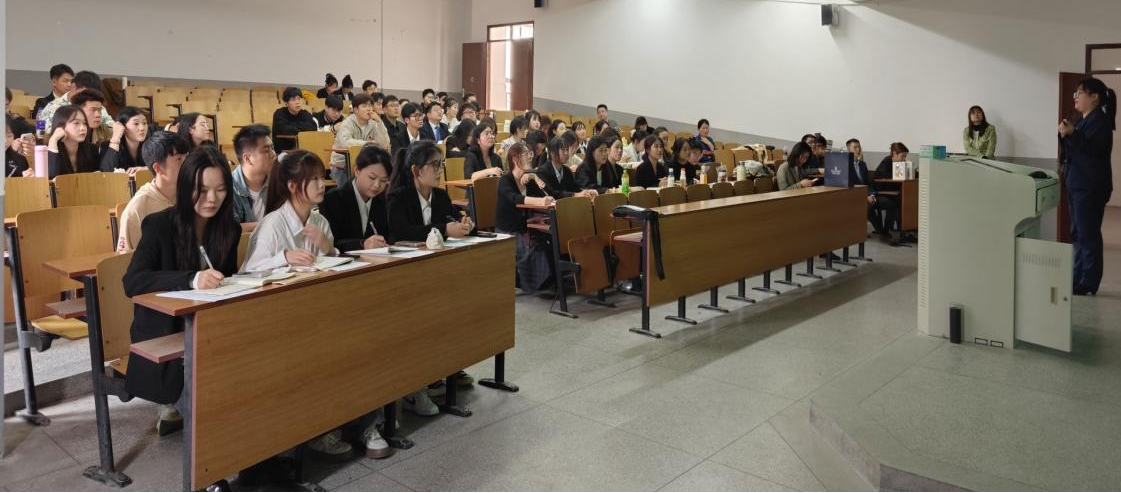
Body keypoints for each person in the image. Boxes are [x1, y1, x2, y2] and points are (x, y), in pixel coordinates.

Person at [122, 145, 241, 435]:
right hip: (166, 334)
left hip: (210, 330)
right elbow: (133, 282)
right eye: (202, 190)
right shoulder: (159, 225)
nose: (211, 199)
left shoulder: (229, 229)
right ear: (186, 186)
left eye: (220, 190)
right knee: (214, 404)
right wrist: (191, 279)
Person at [1060, 77, 1116, 296]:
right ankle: (1078, 277)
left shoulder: (1100, 122)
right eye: (1075, 93)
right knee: (1077, 233)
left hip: (1090, 186)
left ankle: (1089, 282)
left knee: (1087, 234)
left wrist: (1073, 134)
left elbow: (1092, 153)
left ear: (1094, 97)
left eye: (1080, 93)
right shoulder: (1083, 120)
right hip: (1077, 183)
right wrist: (1065, 134)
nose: (1075, 97)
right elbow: (1073, 150)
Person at [242, 150, 337, 273]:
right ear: (292, 186)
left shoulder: (321, 221)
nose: (322, 184)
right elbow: (249, 271)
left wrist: (329, 249)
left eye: (322, 177)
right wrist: (284, 257)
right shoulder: (272, 225)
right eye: (314, 178)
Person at [116, 131, 190, 253]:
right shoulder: (136, 210)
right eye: (179, 159)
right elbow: (126, 259)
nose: (188, 164)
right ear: (158, 168)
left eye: (187, 157)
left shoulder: (194, 195)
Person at [497, 142, 556, 294]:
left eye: (530, 154)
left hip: (528, 226)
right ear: (515, 159)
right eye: (526, 154)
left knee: (551, 241)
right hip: (510, 230)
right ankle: (536, 284)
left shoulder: (528, 179)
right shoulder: (505, 180)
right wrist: (539, 201)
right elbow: (514, 198)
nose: (530, 157)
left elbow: (548, 196)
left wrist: (536, 178)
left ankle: (554, 281)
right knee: (535, 248)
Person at [387, 140, 471, 242]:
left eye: (441, 163)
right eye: (435, 164)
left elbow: (454, 218)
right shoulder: (398, 198)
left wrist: (464, 223)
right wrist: (444, 230)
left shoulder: (441, 196)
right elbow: (402, 232)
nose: (441, 170)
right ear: (416, 170)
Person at [319, 145, 392, 252]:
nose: (377, 185)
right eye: (372, 177)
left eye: (383, 180)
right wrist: (362, 244)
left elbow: (390, 236)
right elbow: (329, 243)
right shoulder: (333, 199)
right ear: (357, 170)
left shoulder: (383, 200)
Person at [329, 93, 391, 184]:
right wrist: (367, 143)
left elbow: (384, 143)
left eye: (370, 105)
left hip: (363, 164)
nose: (369, 109)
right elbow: (345, 142)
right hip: (341, 166)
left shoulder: (373, 124)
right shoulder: (347, 123)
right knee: (351, 186)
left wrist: (379, 122)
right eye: (364, 106)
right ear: (356, 110)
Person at [230, 124, 278, 227]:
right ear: (247, 159)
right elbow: (230, 229)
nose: (273, 154)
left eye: (272, 148)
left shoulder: (278, 180)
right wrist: (269, 225)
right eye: (266, 150)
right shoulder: (229, 187)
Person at [38, 70, 113, 133]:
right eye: (85, 93)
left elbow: (112, 128)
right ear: (74, 87)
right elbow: (42, 134)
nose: (89, 97)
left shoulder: (97, 108)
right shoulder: (53, 108)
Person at [846, 138, 888, 238]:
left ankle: (880, 232)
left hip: (864, 194)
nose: (858, 149)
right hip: (852, 195)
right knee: (868, 205)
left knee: (874, 202)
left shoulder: (862, 164)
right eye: (855, 147)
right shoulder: (845, 165)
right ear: (848, 150)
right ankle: (880, 232)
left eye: (859, 147)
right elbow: (849, 185)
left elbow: (867, 183)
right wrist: (864, 197)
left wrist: (871, 194)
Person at [536, 132, 595, 199]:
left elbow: (575, 189)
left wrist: (587, 192)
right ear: (552, 153)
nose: (566, 153)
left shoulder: (567, 170)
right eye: (563, 150)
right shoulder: (542, 171)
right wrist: (574, 195)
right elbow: (551, 193)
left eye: (567, 150)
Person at [47, 105, 100, 178]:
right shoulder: (50, 150)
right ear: (61, 127)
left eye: (84, 123)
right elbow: (52, 178)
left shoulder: (92, 150)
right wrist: (53, 141)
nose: (83, 128)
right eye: (76, 123)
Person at [873, 142, 909, 239]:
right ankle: (887, 231)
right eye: (902, 156)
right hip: (878, 194)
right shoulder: (886, 163)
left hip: (890, 193)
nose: (904, 159)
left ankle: (903, 230)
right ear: (894, 154)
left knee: (904, 200)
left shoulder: (897, 164)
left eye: (905, 157)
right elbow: (888, 181)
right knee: (894, 202)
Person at [100, 106, 150, 175]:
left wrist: (145, 169)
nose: (142, 128)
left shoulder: (152, 145)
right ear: (123, 127)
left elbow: (163, 167)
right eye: (136, 124)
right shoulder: (108, 146)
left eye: (144, 123)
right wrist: (115, 138)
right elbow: (107, 173)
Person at [272, 87, 318, 153]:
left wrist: (292, 124)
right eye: (293, 100)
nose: (297, 102)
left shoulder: (304, 113)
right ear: (286, 103)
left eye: (299, 99)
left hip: (302, 150)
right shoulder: (279, 113)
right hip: (283, 151)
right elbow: (286, 130)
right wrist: (303, 129)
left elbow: (313, 127)